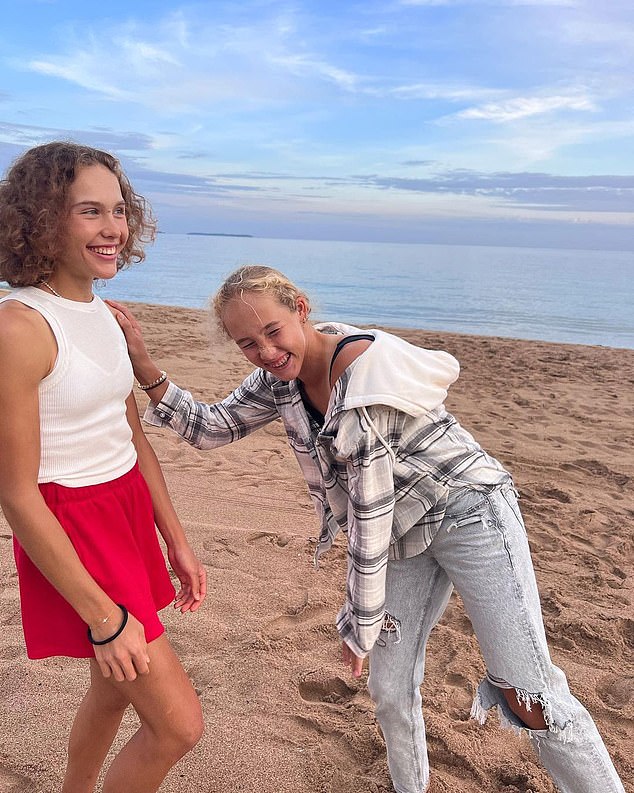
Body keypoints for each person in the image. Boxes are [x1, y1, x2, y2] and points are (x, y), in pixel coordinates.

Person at [108, 265, 624, 793]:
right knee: (389, 688)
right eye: (247, 343)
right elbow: (211, 428)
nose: (264, 351)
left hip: (469, 513)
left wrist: (360, 621)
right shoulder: (279, 380)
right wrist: (144, 364)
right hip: (403, 531)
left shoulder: (362, 374)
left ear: (301, 309)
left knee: (530, 693)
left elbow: (369, 511)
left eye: (272, 332)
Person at [0, 142, 206, 793]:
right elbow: (15, 492)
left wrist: (174, 538)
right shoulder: (21, 329)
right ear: (41, 220)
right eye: (91, 211)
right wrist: (105, 614)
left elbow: (132, 437)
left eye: (119, 210)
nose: (115, 228)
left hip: (124, 510)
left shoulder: (107, 317)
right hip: (76, 524)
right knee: (178, 726)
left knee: (115, 689)